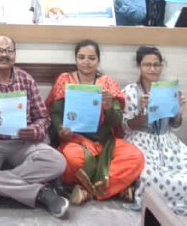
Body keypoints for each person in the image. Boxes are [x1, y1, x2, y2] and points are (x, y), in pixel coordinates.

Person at [0, 36, 69, 218]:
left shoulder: (26, 80)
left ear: (15, 55)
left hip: (23, 142)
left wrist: (33, 131)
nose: (4, 55)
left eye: (8, 51)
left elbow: (43, 117)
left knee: (58, 162)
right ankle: (42, 193)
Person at [123, 46, 187, 216]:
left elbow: (175, 124)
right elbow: (126, 126)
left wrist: (179, 110)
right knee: (151, 177)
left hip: (167, 141)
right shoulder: (130, 92)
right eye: (147, 65)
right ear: (139, 66)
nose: (152, 69)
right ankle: (155, 202)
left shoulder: (169, 90)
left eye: (156, 65)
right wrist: (142, 110)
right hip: (140, 140)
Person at [46, 41, 144, 205]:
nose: (86, 62)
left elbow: (116, 121)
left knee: (135, 157)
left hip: (105, 141)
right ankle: (115, 188)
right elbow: (55, 113)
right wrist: (61, 129)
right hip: (75, 140)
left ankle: (87, 192)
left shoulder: (107, 83)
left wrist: (108, 108)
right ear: (75, 59)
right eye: (81, 57)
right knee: (72, 160)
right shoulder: (65, 80)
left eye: (91, 58)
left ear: (98, 61)